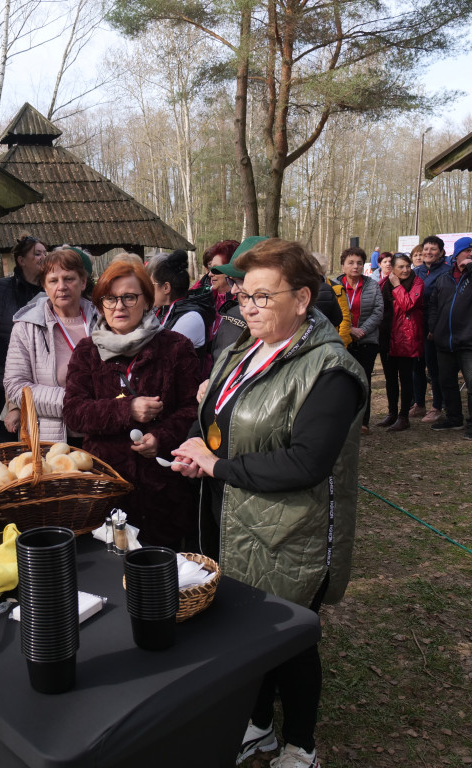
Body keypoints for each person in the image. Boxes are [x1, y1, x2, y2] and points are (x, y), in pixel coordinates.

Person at [170, 238, 366, 768]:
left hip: (290, 531)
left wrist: (219, 467)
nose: (246, 306)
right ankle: (258, 725)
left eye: (261, 294)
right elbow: (217, 415)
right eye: (242, 294)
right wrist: (196, 447)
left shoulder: (330, 369)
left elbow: (307, 463)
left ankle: (302, 744)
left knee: (289, 641)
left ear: (302, 299)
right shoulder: (242, 349)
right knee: (244, 634)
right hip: (231, 517)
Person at [64, 260, 200, 548]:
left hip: (163, 490)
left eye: (129, 297)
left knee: (163, 573)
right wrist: (127, 409)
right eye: (110, 298)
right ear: (100, 304)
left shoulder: (176, 347)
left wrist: (161, 438)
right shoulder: (87, 352)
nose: (119, 306)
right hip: (107, 487)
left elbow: (192, 409)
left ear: (147, 301)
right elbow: (74, 413)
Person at [4, 249, 99, 443]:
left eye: (69, 279)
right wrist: (72, 402)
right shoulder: (27, 327)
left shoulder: (104, 321)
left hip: (101, 433)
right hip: (52, 439)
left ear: (82, 282)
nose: (62, 287)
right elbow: (15, 386)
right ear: (44, 287)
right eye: (53, 281)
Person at [427, 236, 472, 438]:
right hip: (444, 341)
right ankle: (454, 418)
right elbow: (433, 304)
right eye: (467, 251)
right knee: (446, 382)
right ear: (457, 254)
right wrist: (434, 326)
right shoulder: (444, 278)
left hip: (470, 341)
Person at [0, 235, 45, 442]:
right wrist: (14, 362)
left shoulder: (51, 288)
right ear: (21, 260)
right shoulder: (0, 288)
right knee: (8, 434)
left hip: (41, 377)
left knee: (39, 432)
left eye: (45, 252)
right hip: (3, 376)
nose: (44, 257)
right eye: (37, 253)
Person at [337, 246, 383, 433]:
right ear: (343, 266)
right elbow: (331, 312)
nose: (355, 266)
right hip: (341, 342)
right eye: (351, 263)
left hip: (366, 340)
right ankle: (342, 421)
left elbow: (378, 311)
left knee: (364, 382)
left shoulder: (372, 285)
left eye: (359, 263)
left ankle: (363, 422)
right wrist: (349, 330)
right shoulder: (333, 285)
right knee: (342, 383)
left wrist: (362, 330)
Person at [377, 254, 424, 432]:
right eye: (401, 267)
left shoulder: (417, 283)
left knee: (405, 379)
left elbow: (408, 304)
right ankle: (392, 413)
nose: (405, 270)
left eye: (408, 266)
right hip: (387, 338)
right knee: (390, 379)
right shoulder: (382, 284)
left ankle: (404, 416)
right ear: (393, 269)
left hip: (406, 339)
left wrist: (397, 285)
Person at [413, 236, 449, 422]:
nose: (428, 252)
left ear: (441, 252)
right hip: (416, 327)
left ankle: (437, 406)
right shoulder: (416, 271)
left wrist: (435, 327)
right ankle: (419, 403)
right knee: (416, 365)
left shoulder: (447, 272)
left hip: (435, 327)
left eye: (433, 249)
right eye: (426, 249)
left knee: (433, 368)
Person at [148, 250, 214, 350]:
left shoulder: (190, 318)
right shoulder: (164, 310)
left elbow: (162, 357)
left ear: (166, 288)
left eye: (150, 285)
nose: (147, 290)